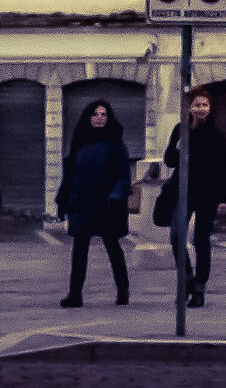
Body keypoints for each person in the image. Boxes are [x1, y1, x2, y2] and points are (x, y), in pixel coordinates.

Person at [160, 89, 226, 307]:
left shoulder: (216, 134)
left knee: (201, 240)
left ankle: (200, 287)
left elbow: (224, 167)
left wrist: (224, 197)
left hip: (207, 193)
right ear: (189, 108)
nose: (202, 109)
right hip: (182, 191)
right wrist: (178, 147)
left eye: (205, 105)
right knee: (176, 236)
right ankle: (187, 278)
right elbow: (169, 161)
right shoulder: (180, 130)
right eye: (197, 105)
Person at [56, 100, 133, 307]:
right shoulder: (80, 144)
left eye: (103, 114)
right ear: (88, 118)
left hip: (106, 204)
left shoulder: (116, 146)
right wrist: (62, 200)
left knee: (112, 247)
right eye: (95, 114)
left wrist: (116, 197)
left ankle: (123, 289)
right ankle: (75, 294)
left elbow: (124, 176)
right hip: (82, 203)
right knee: (79, 249)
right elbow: (70, 174)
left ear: (109, 118)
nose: (99, 118)